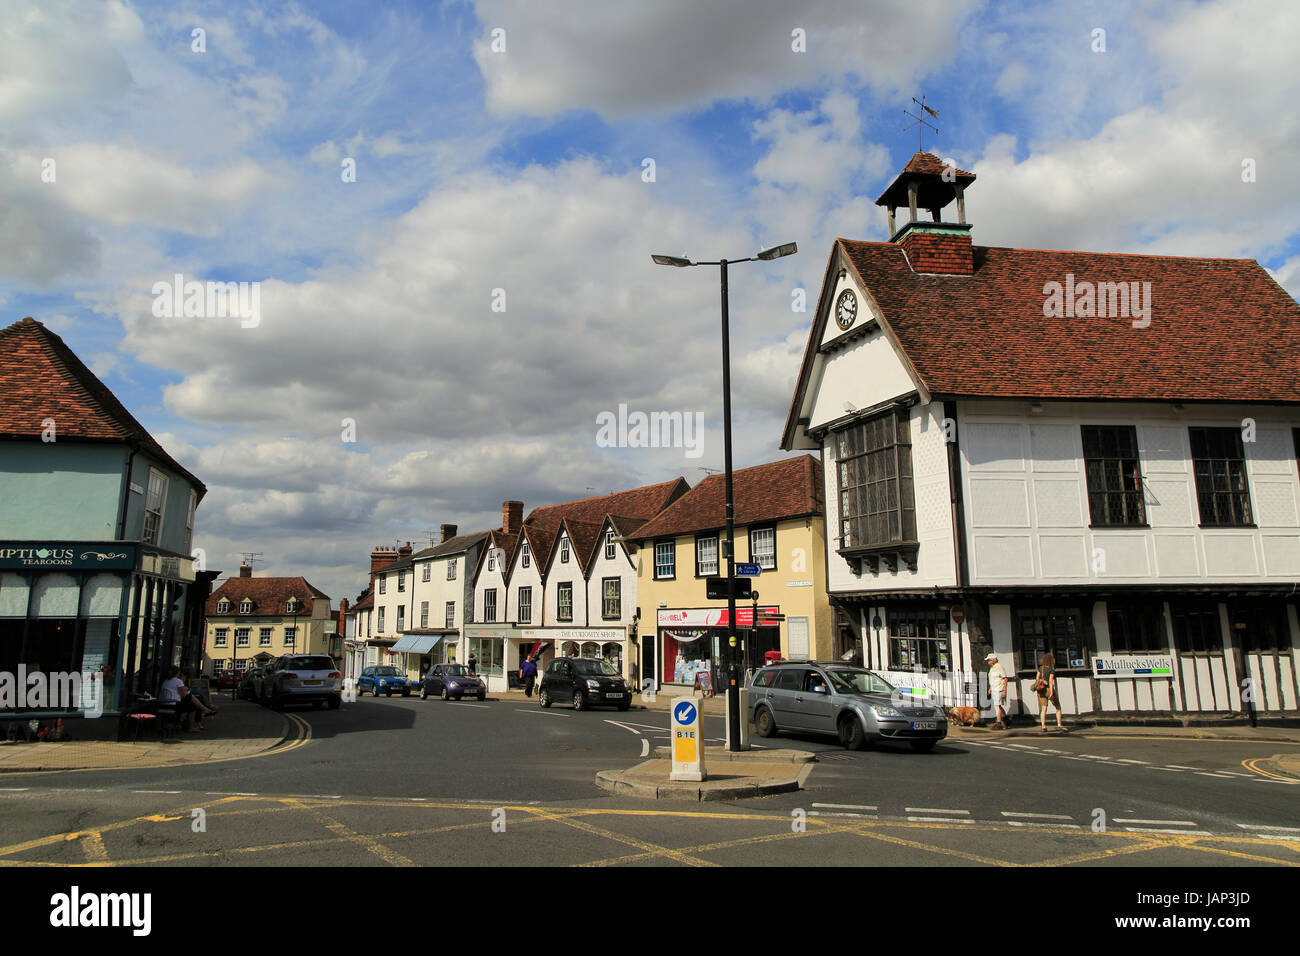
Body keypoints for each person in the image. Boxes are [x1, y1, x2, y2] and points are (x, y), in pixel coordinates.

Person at [160, 667, 218, 732]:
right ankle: (191, 726)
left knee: (191, 699)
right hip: (173, 704)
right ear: (178, 673)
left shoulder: (166, 681)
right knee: (192, 705)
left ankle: (204, 709)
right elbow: (184, 695)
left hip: (163, 704)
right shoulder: (178, 681)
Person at [1035, 652, 1064, 732]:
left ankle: (1043, 726)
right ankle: (1059, 725)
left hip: (1041, 690)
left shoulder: (1040, 668)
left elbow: (1037, 678)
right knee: (1058, 707)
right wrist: (1051, 692)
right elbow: (1051, 682)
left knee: (1043, 708)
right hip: (1048, 689)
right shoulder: (1051, 670)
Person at [985, 652, 1008, 730]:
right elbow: (992, 679)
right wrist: (990, 688)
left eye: (988, 660)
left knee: (996, 706)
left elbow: (1005, 678)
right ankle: (1005, 720)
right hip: (994, 689)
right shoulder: (992, 668)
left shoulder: (999, 667)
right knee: (998, 705)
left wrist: (1004, 690)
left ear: (993, 660)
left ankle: (999, 722)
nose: (988, 662)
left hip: (999, 689)